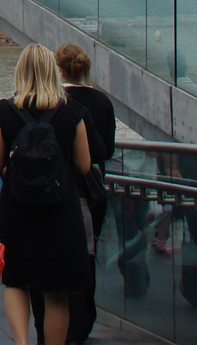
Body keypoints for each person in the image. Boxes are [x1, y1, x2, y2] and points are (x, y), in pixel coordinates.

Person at [0, 43, 92, 345]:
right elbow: (83, 165)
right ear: (51, 71)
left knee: (17, 282)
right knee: (56, 291)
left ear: (20, 71)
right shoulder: (71, 110)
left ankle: (21, 342)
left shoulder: (5, 109)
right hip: (60, 208)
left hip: (18, 207)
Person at [55, 44, 115, 345]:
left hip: (58, 189)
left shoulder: (55, 103)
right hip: (91, 189)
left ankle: (62, 317)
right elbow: (108, 148)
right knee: (87, 253)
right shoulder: (101, 101)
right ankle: (84, 317)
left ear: (59, 69)